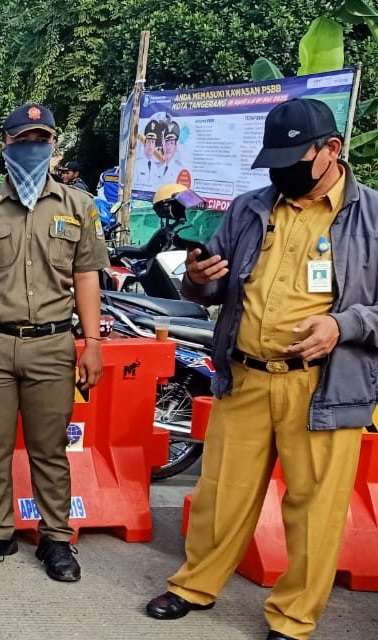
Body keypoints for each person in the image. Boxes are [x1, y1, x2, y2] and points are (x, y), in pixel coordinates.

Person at [145, 98, 378, 640]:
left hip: (324, 387)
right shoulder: (251, 208)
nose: (282, 170)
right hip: (246, 377)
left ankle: (293, 618)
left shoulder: (372, 218)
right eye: (274, 159)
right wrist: (200, 277)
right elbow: (207, 287)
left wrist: (343, 327)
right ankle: (193, 585)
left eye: (294, 157)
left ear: (331, 152)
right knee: (221, 492)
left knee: (314, 509)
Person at [0, 103, 109, 583]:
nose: (33, 148)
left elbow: (87, 279)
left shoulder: (79, 207)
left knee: (49, 447)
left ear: (54, 146)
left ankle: (56, 538)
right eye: (23, 140)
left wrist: (91, 342)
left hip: (53, 346)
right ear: (6, 144)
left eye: (41, 139)